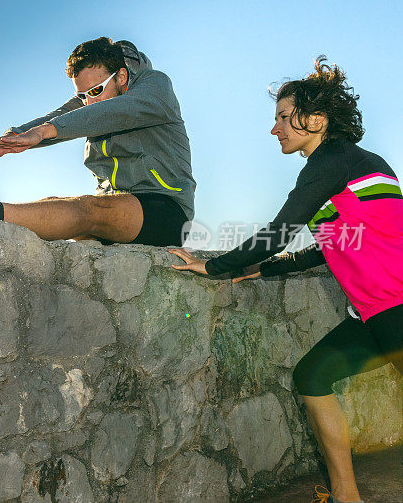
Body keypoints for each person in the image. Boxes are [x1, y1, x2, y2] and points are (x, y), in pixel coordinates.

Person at [169, 56, 403, 503]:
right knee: (312, 377)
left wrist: (215, 265)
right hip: (374, 313)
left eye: (282, 118)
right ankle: (346, 495)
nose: (274, 129)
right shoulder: (354, 164)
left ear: (315, 120)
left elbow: (278, 231)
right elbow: (333, 241)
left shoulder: (330, 162)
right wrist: (263, 268)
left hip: (397, 306)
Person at [0, 37, 196, 246]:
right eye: (83, 96)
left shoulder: (154, 87)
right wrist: (9, 140)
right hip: (118, 209)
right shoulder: (95, 96)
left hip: (166, 210)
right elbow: (59, 115)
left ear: (121, 76)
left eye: (94, 91)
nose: (88, 102)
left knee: (87, 210)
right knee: (55, 204)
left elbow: (115, 112)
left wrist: (45, 132)